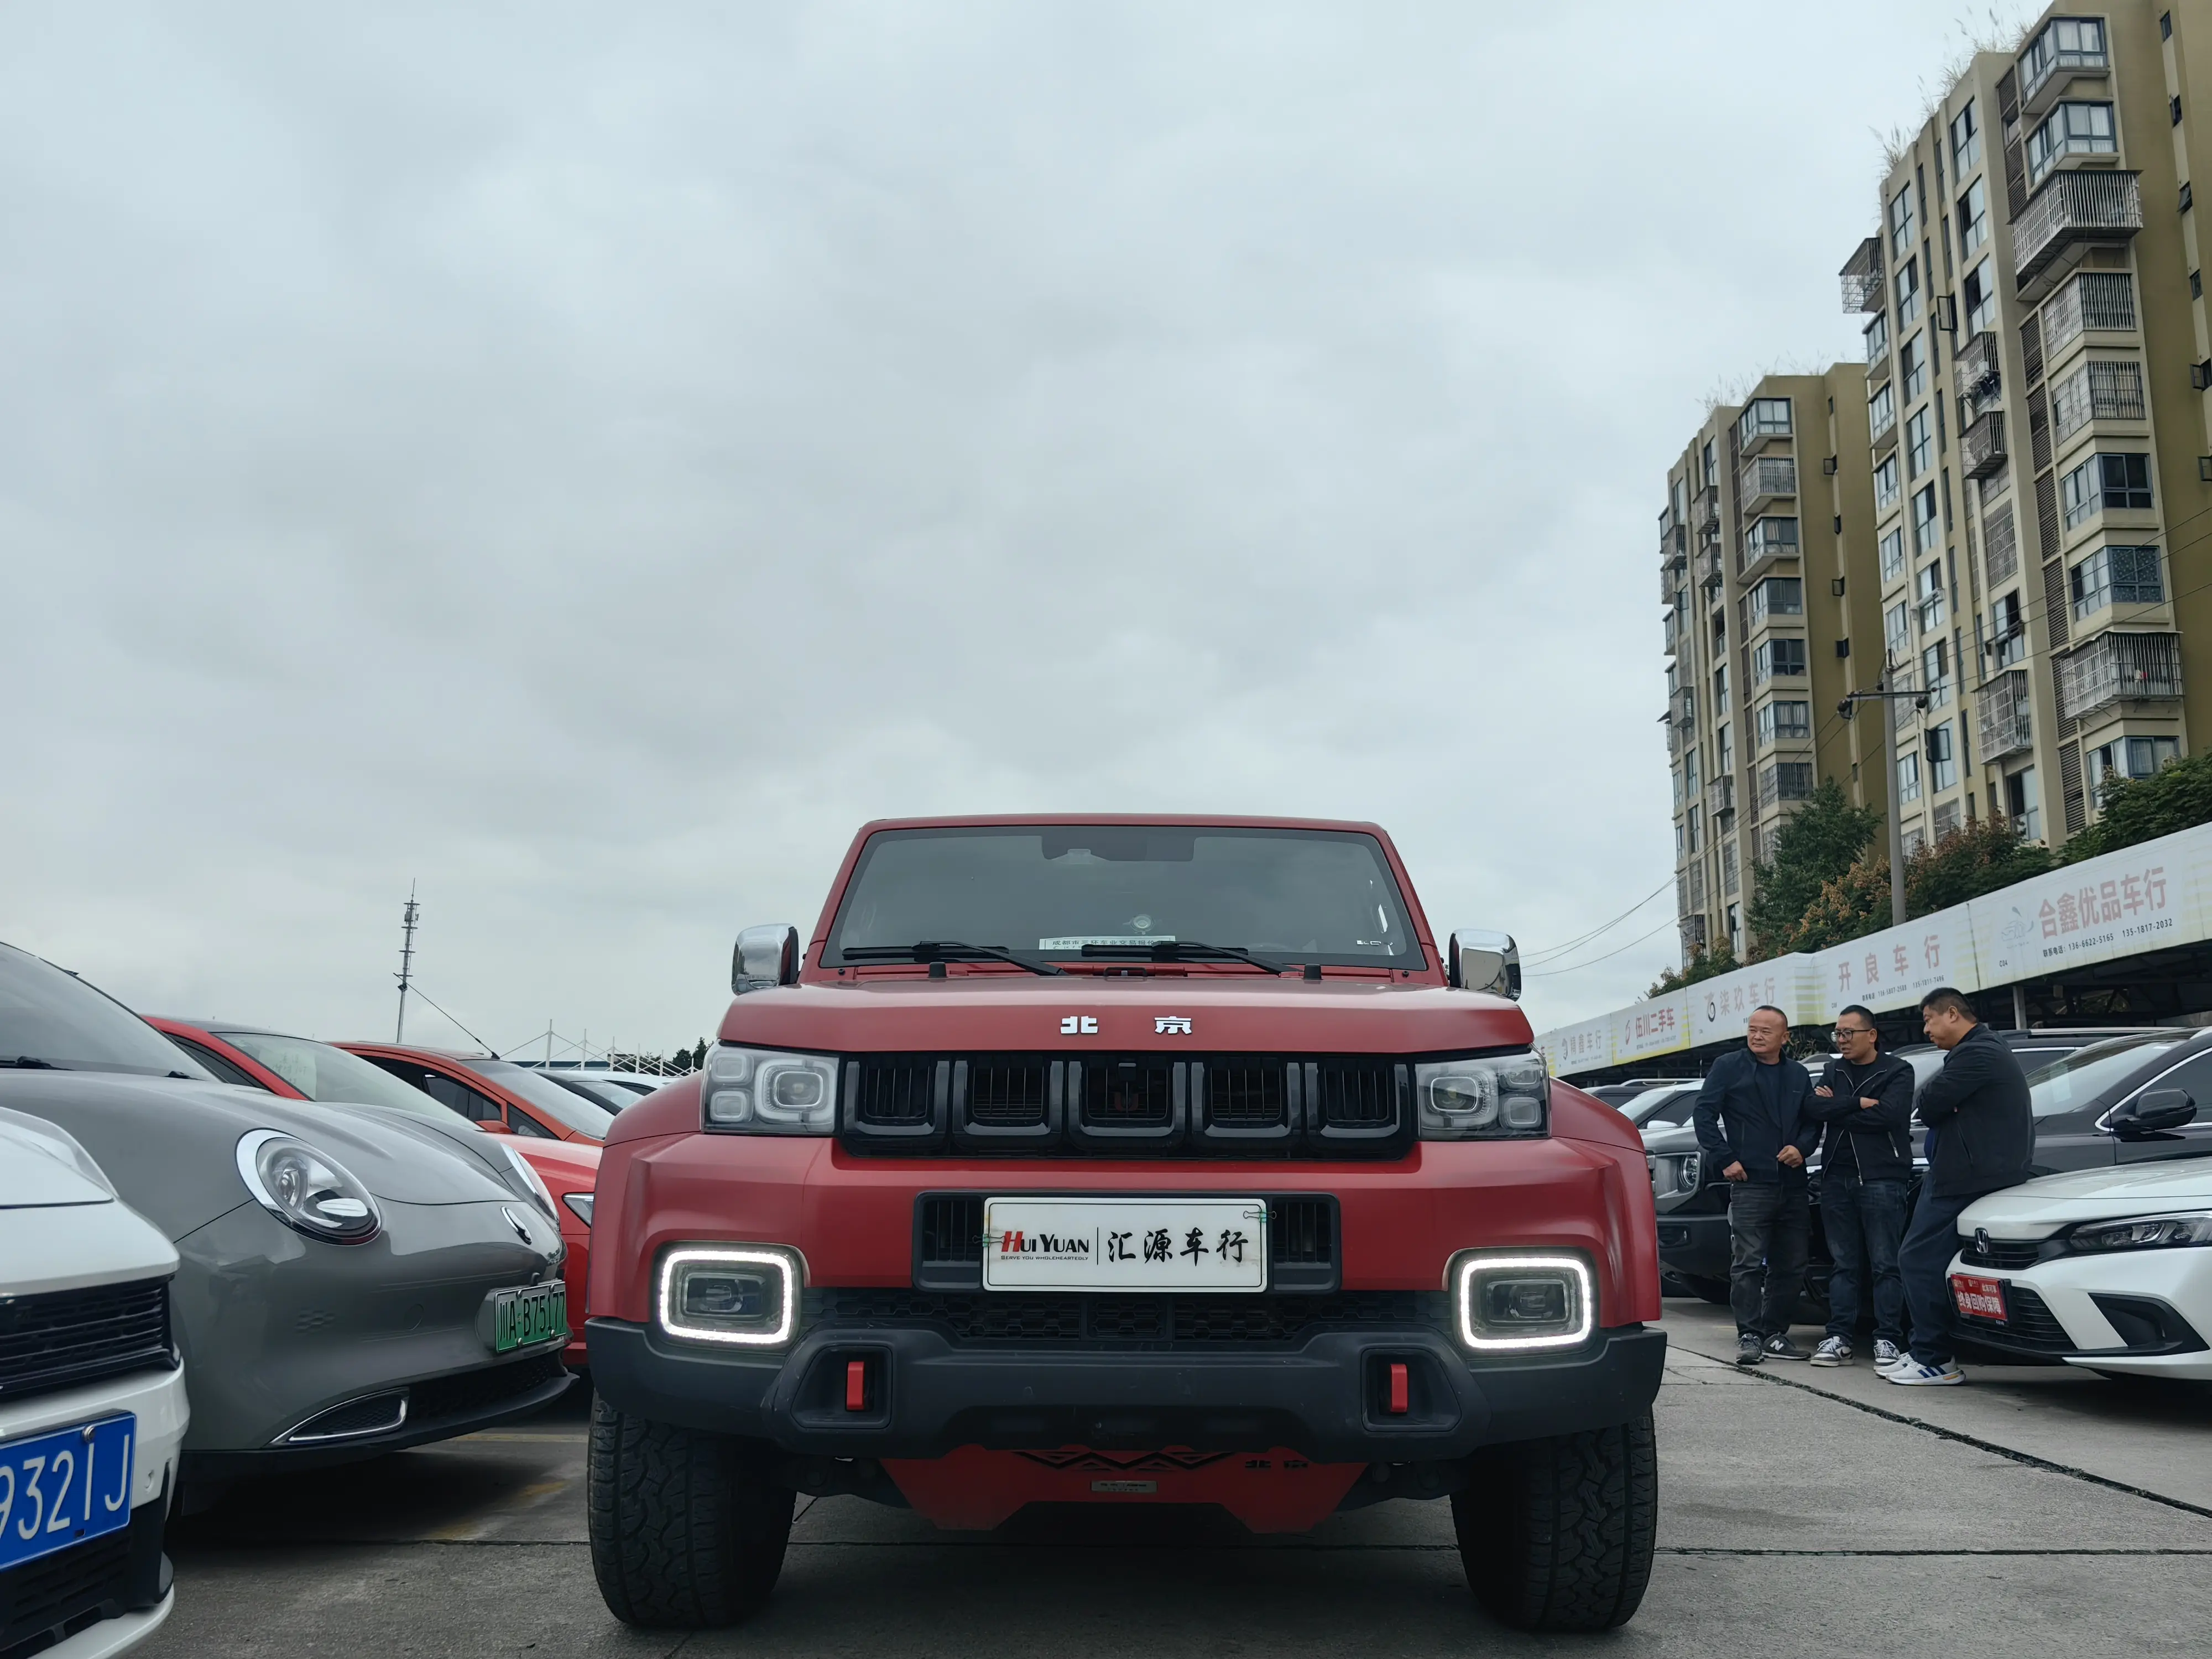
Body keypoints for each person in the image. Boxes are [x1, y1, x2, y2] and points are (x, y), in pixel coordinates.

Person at [1887, 987, 2034, 1386]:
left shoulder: (1979, 1052)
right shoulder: (1976, 1050)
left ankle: (1934, 1357)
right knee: (1927, 1260)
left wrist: (1943, 1103)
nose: (1926, 1029)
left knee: (1916, 1259)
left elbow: (1930, 1102)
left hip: (1965, 1176)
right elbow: (1935, 1103)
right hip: (1962, 1171)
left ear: (1952, 1014)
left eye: (1928, 1019)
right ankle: (1924, 1348)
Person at [1692, 1004, 1821, 1366]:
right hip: (1750, 1183)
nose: (1757, 1036)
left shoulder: (1797, 1075)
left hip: (1793, 1184)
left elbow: (1812, 1121)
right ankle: (1749, 1334)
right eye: (1753, 1029)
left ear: (1785, 1037)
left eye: (1766, 1031)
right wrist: (1725, 1158)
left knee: (1792, 1263)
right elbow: (1704, 1114)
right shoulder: (1729, 1067)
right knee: (1748, 1262)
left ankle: (1775, 1333)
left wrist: (1802, 1148)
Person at [1804, 1005, 1916, 1369]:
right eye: (1838, 1033)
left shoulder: (1897, 1069)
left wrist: (1837, 1107)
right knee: (1843, 1263)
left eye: (1848, 1033)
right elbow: (1813, 1109)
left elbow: (1889, 1115)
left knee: (1886, 1263)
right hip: (1836, 1177)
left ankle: (1888, 1338)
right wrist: (1855, 1104)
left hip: (1882, 1177)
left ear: (1872, 1035)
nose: (1842, 1040)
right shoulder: (1834, 1068)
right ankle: (1839, 1337)